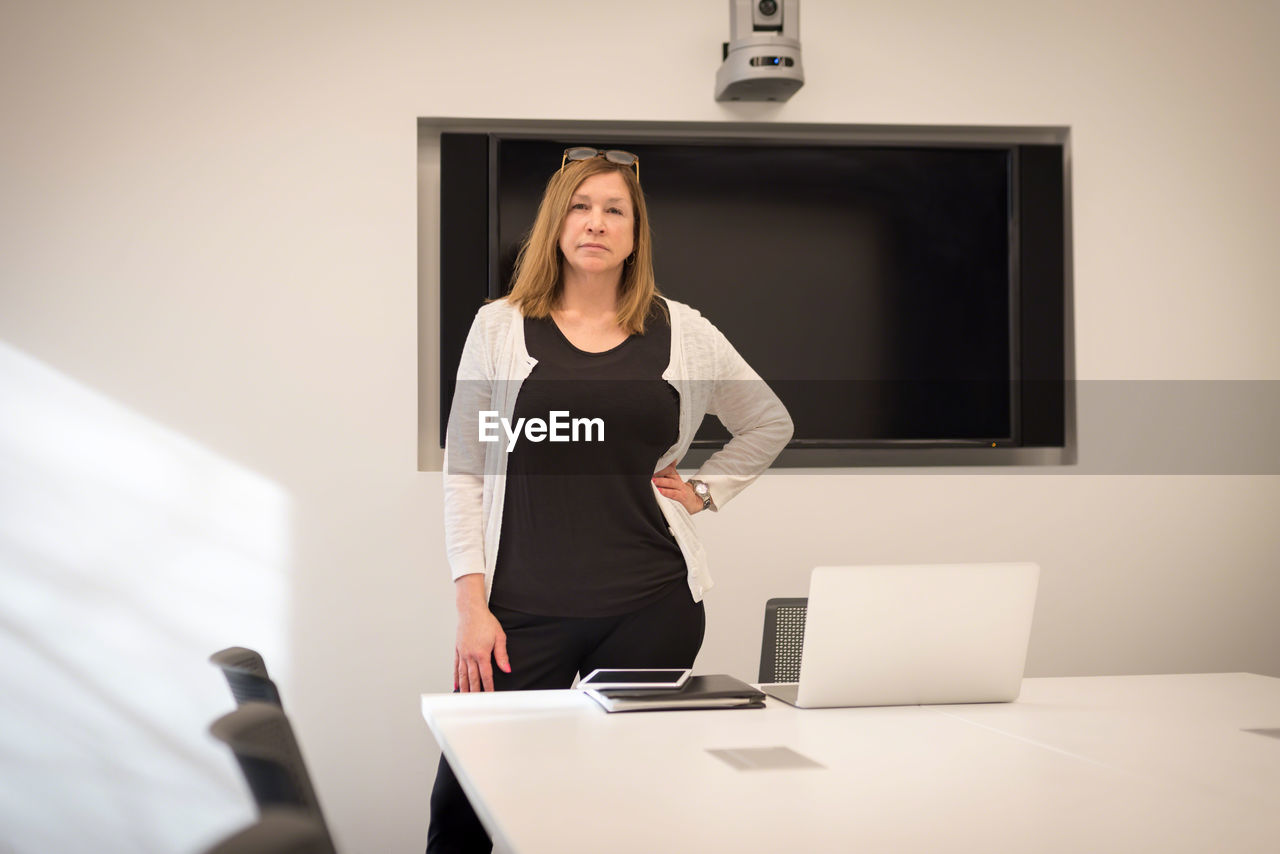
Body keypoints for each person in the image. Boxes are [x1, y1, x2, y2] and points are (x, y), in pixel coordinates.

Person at [427, 146, 792, 853]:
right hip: (519, 618)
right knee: (462, 812)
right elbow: (466, 468)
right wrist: (472, 605)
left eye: (614, 210)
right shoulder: (499, 328)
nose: (596, 223)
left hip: (650, 609)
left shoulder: (683, 332)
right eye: (580, 207)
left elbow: (768, 421)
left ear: (635, 232)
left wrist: (705, 491)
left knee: (632, 810)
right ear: (557, 225)